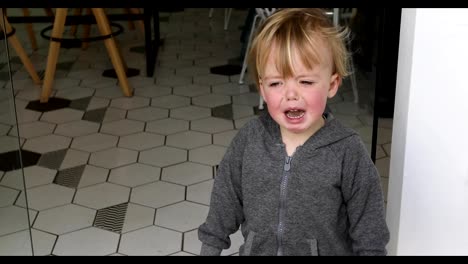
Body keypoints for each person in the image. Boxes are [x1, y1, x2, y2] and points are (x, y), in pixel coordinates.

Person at [198, 8, 390, 256]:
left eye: (306, 82)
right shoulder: (249, 140)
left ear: (331, 85)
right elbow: (224, 202)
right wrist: (210, 248)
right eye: (276, 83)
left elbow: (370, 233)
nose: (291, 94)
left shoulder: (347, 151)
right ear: (263, 89)